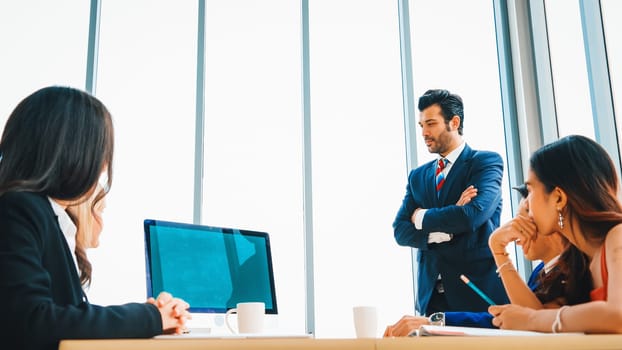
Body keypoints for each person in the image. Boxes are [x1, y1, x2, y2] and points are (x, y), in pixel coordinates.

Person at [0, 86, 190, 350]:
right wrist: (150, 317)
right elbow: (33, 322)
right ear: (72, 151)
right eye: (101, 153)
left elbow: (64, 317)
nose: (102, 167)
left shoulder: (47, 216)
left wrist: (152, 318)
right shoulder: (20, 209)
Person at [384, 185, 591, 336]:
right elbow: (512, 321)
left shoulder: (579, 269)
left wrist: (499, 250)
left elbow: (532, 322)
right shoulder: (540, 272)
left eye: (522, 222)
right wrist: (434, 321)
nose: (516, 234)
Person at [489, 135, 622, 333]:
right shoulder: (579, 260)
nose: (526, 203)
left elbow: (618, 317)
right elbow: (539, 319)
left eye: (530, 190)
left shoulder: (617, 236)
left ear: (558, 197)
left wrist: (531, 319)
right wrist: (498, 250)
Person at [393, 89, 508, 316]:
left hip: (476, 294)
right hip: (431, 299)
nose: (424, 132)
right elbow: (400, 230)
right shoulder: (418, 176)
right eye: (421, 125)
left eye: (431, 124)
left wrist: (421, 216)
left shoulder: (484, 163)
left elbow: (471, 215)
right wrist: (443, 228)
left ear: (454, 122)